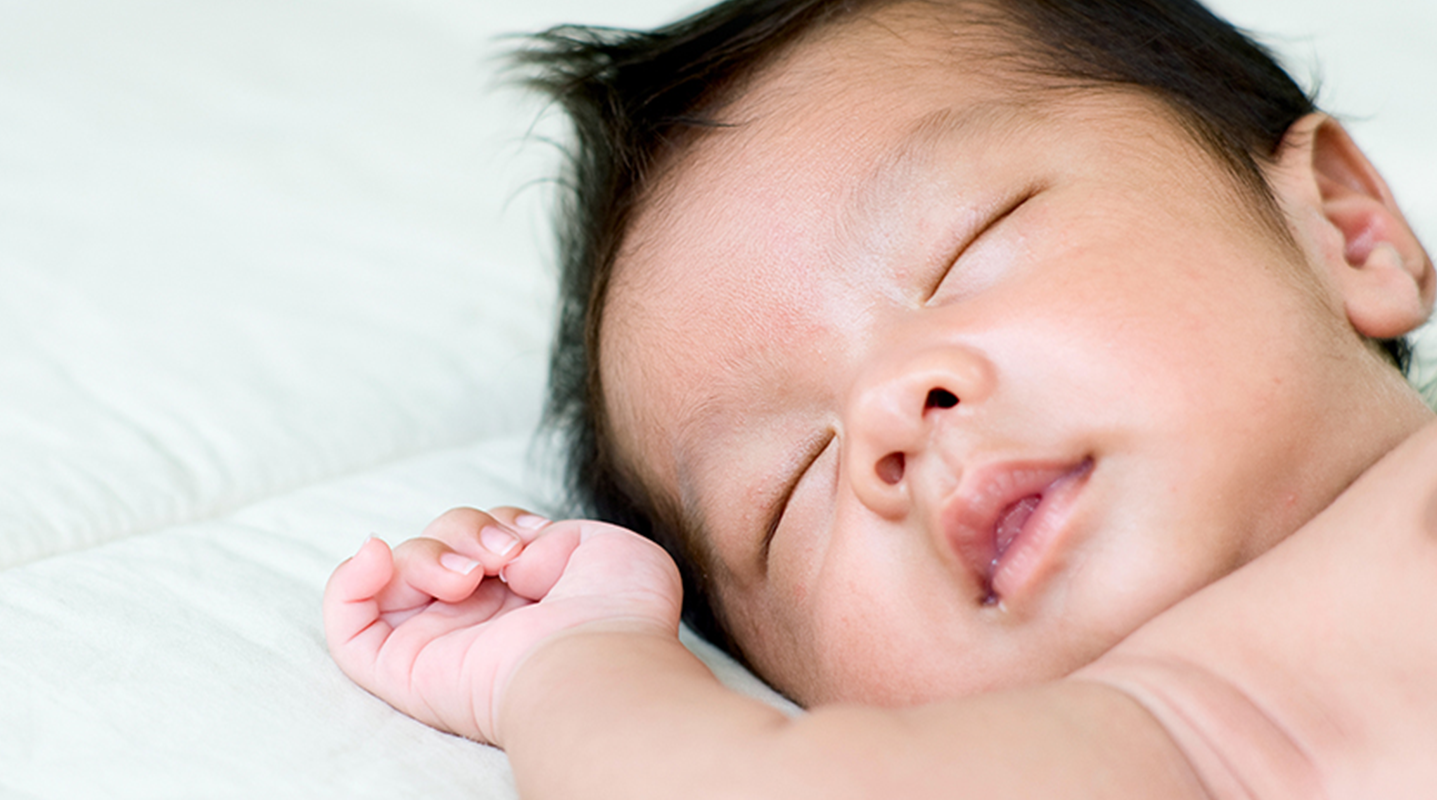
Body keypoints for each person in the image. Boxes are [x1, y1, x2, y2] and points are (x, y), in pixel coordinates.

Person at [323, 0, 1437, 795]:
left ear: (1345, 227)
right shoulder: (1182, 736)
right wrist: (574, 654)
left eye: (966, 250)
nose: (892, 416)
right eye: (791, 487)